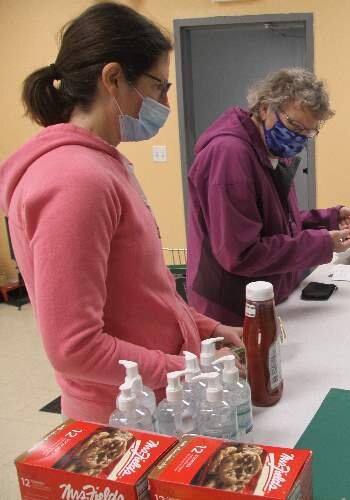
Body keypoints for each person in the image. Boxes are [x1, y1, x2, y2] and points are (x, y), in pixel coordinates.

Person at [0, 3, 242, 424]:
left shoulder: (103, 163)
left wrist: (208, 329)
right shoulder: (75, 179)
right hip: (123, 415)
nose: (165, 102)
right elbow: (75, 349)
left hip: (162, 397)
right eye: (158, 87)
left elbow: (145, 292)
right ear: (113, 78)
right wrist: (193, 369)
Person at [187, 68, 350, 326]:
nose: (297, 138)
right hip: (231, 308)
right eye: (293, 125)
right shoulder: (229, 155)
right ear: (266, 107)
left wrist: (328, 219)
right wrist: (322, 244)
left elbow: (275, 222)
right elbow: (241, 253)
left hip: (267, 296)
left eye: (307, 132)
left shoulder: (272, 149)